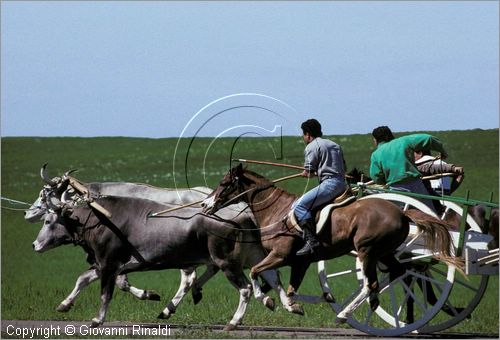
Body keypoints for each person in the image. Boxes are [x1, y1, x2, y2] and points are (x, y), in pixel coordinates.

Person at [292, 118, 347, 256]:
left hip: (329, 184)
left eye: (303, 134)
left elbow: (309, 172)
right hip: (342, 183)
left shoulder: (311, 147)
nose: (303, 138)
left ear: (308, 134)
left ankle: (311, 241)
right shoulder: (335, 145)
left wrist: (306, 173)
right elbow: (342, 167)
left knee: (299, 206)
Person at [369, 126, 449, 213]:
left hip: (397, 190)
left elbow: (376, 177)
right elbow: (429, 139)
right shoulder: (404, 141)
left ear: (376, 140)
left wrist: (383, 182)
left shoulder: (376, 155)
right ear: (391, 135)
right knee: (430, 213)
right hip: (417, 186)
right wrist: (442, 152)